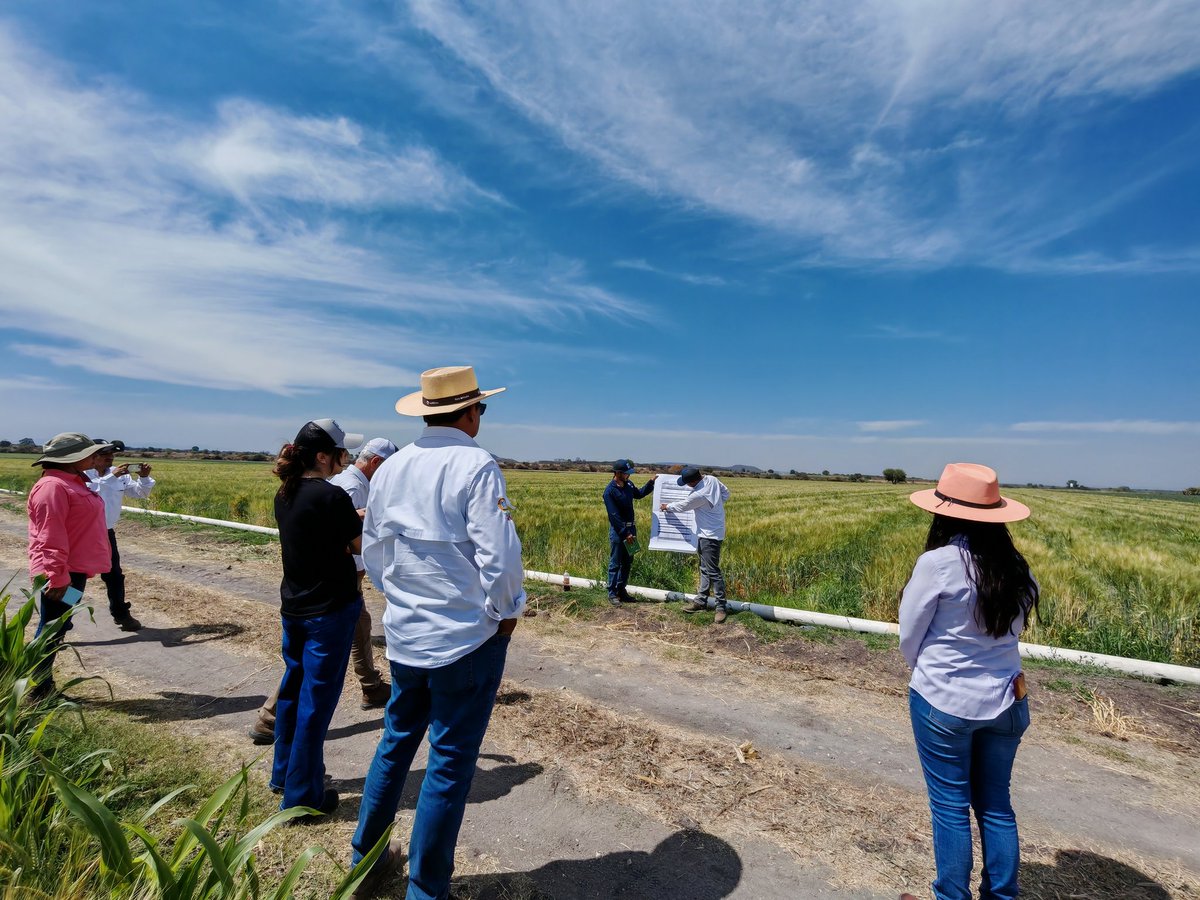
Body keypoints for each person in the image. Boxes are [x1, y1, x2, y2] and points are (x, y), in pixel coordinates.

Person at [351, 366, 525, 900]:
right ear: (469, 413)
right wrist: (506, 611)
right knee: (448, 764)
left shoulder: (392, 468)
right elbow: (498, 555)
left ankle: (365, 860)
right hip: (467, 637)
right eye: (482, 409)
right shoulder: (476, 464)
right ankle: (425, 890)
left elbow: (375, 549)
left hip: (406, 632)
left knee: (395, 741)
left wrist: (401, 597)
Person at [899, 463, 1038, 900]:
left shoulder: (938, 563)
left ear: (944, 513)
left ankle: (951, 897)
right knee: (996, 806)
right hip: (1008, 702)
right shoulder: (1016, 567)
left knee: (950, 807)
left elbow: (910, 634)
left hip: (945, 701)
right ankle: (1002, 896)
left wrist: (923, 669)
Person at [248, 437, 399, 744]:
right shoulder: (345, 488)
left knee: (360, 626)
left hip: (318, 587)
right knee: (313, 668)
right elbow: (335, 530)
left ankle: (370, 685)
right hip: (332, 587)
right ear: (376, 464)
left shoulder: (340, 484)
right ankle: (271, 719)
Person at [269, 418, 365, 822]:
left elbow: (319, 537)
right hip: (330, 610)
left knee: (292, 690)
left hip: (294, 607)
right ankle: (304, 796)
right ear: (323, 456)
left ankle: (283, 774)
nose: (345, 460)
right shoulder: (332, 497)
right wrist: (359, 523)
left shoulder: (286, 493)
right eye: (341, 453)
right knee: (317, 703)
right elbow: (360, 545)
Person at [26, 433, 113, 700]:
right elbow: (50, 536)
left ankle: (40, 685)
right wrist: (57, 576)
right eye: (90, 453)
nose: (94, 456)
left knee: (59, 625)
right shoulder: (54, 487)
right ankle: (38, 689)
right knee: (51, 628)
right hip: (62, 573)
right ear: (73, 458)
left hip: (73, 571)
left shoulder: (73, 482)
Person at [85, 440, 155, 631]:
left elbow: (139, 494)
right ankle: (63, 617)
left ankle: (121, 614)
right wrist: (111, 477)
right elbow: (88, 490)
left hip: (106, 532)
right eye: (104, 453)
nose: (110, 457)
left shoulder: (119, 475)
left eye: (112, 454)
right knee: (76, 578)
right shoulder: (80, 474)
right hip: (81, 533)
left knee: (114, 575)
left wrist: (144, 478)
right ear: (91, 456)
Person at [660, 466, 731, 623]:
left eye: (687, 483)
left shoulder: (698, 495)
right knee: (704, 568)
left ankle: (721, 607)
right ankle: (701, 601)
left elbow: (683, 506)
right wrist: (716, 507)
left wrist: (666, 507)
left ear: (693, 481)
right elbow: (726, 493)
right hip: (710, 532)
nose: (686, 485)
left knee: (713, 571)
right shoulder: (712, 479)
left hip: (709, 535)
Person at [602, 459, 656, 606]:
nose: (629, 476)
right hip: (620, 532)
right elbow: (614, 516)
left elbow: (639, 494)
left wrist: (651, 483)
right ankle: (612, 593)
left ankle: (621, 590)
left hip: (631, 529)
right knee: (615, 563)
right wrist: (625, 533)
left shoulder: (629, 485)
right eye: (627, 474)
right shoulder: (609, 491)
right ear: (618, 473)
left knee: (627, 562)